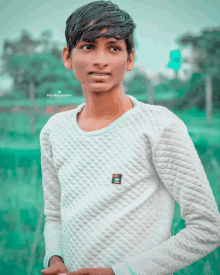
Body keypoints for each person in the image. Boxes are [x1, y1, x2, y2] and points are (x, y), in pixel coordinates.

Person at [40, 1, 220, 275]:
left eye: (113, 47)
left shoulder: (159, 125)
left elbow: (208, 227)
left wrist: (120, 272)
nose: (101, 60)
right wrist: (55, 259)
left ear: (130, 58)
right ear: (68, 57)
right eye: (88, 47)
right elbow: (55, 216)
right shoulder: (54, 130)